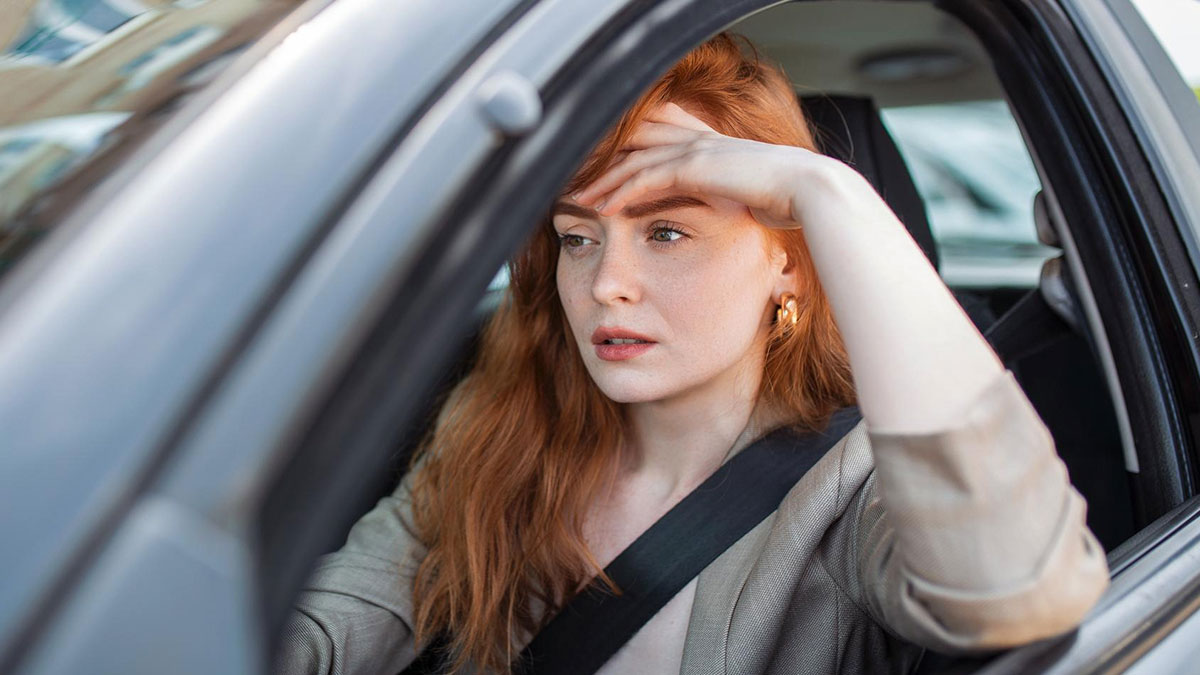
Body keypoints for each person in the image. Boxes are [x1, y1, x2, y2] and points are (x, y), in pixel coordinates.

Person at [274, 33, 1110, 675]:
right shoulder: (499, 428)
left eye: (667, 230)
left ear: (786, 258)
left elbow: (1019, 590)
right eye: (576, 237)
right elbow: (323, 625)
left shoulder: (853, 488)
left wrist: (830, 192)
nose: (607, 285)